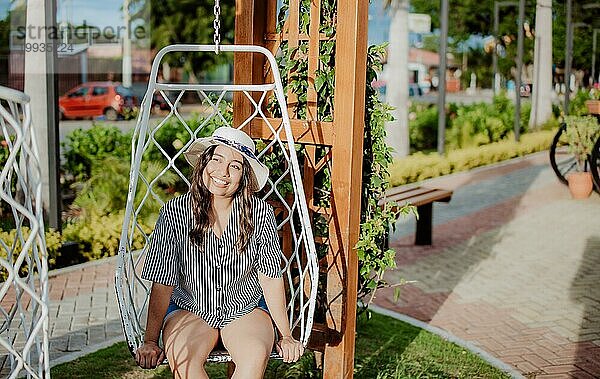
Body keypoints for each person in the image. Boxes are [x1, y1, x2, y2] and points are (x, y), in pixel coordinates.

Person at [135, 127, 304, 378]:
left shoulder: (260, 214)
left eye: (235, 166)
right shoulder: (174, 212)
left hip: (245, 307)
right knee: (184, 361)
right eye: (216, 159)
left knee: (255, 355)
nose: (222, 172)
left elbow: (269, 278)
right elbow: (163, 281)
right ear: (204, 164)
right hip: (189, 307)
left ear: (244, 176)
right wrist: (150, 340)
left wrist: (286, 335)